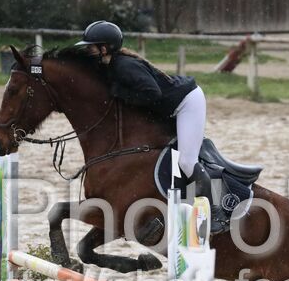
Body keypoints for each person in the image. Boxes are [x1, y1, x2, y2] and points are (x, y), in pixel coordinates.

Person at [76, 20, 222, 233]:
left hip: (187, 103)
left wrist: (120, 93)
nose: (88, 52)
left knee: (186, 161)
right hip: (171, 105)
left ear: (104, 48)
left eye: (91, 48)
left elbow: (152, 94)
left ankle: (215, 211)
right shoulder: (112, 65)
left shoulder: (124, 66)